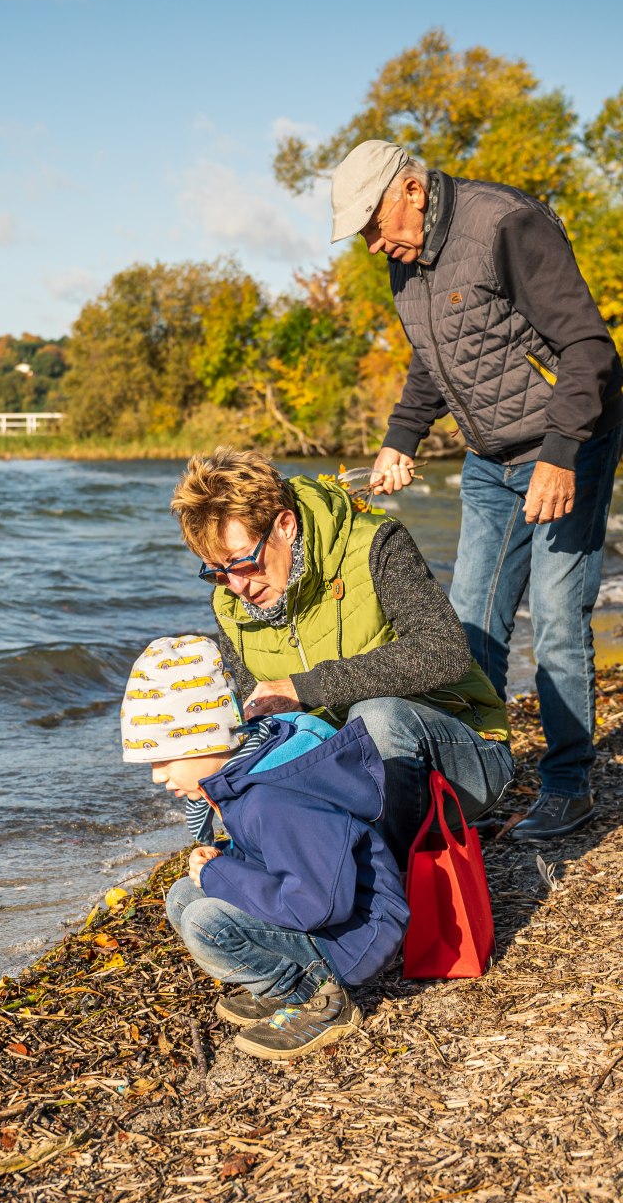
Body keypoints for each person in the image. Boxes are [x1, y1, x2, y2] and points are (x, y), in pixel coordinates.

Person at [329, 140, 623, 842]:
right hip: (489, 460)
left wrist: (559, 454)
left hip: (569, 445)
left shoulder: (504, 223)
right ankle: (473, 779)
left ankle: (567, 785)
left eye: (372, 224)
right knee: (469, 626)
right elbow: (436, 358)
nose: (371, 245)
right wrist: (402, 435)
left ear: (412, 190)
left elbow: (591, 348)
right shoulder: (407, 264)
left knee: (555, 616)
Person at [169, 447, 514, 868]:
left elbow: (443, 652)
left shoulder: (375, 544)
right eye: (217, 571)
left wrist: (305, 688)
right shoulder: (229, 605)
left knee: (376, 720)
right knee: (197, 895)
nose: (236, 585)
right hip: (344, 775)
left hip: (462, 756)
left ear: (285, 526)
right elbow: (261, 730)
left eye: (243, 562)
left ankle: (387, 888)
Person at [120, 633, 409, 1060]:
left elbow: (319, 903)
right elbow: (272, 858)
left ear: (204, 741)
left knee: (205, 921)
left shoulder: (273, 798)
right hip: (323, 917)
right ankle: (288, 980)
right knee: (184, 895)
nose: (157, 777)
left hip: (353, 935)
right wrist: (226, 858)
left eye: (162, 759)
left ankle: (316, 997)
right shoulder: (248, 774)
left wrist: (223, 875)